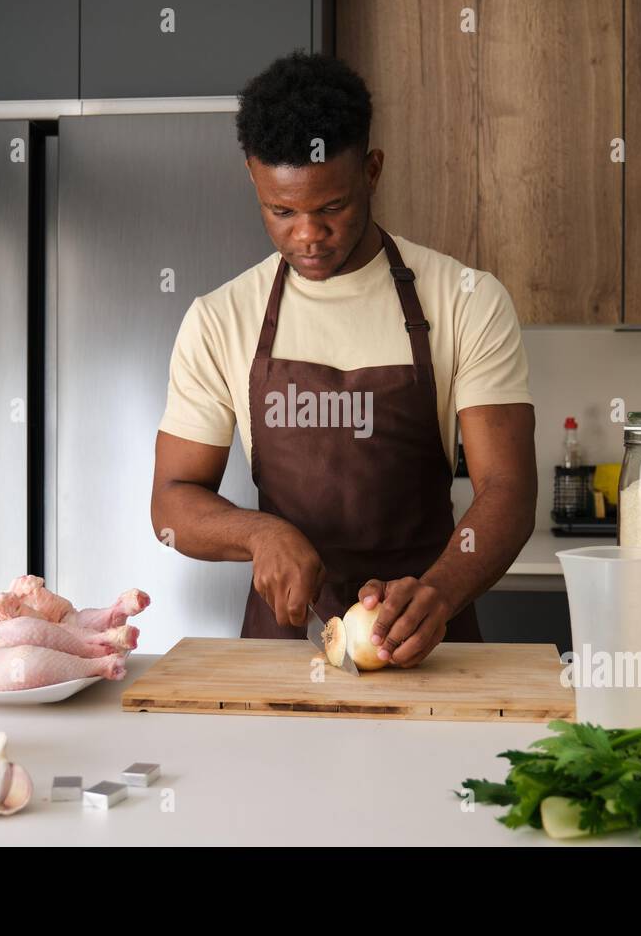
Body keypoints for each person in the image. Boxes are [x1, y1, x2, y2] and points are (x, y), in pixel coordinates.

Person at [151, 51, 536, 668]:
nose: (307, 234)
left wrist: (436, 594)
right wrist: (260, 533)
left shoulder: (466, 300)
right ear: (254, 180)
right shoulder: (221, 318)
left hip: (432, 645)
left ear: (372, 171)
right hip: (284, 652)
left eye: (330, 207)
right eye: (282, 211)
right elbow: (172, 498)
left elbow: (508, 488)